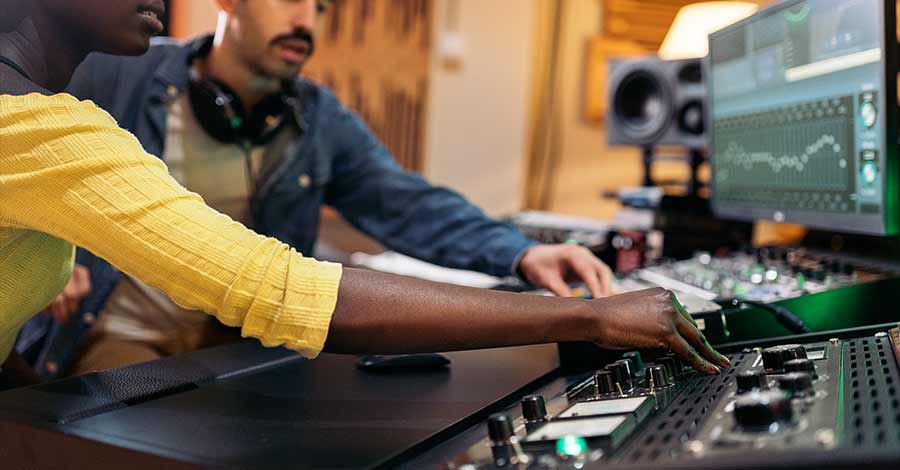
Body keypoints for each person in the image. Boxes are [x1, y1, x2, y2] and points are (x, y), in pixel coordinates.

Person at [0, 0, 730, 384]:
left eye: (320, 4)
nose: (307, 18)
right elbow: (275, 287)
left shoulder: (319, 118)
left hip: (235, 375)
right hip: (102, 372)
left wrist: (519, 254)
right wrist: (582, 320)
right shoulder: (92, 92)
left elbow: (404, 200)